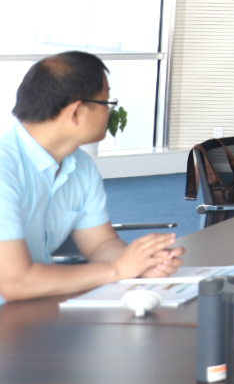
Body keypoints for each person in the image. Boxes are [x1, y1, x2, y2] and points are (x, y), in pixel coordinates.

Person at [0, 52, 183, 302]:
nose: (109, 112)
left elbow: (100, 245)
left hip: (34, 307)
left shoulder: (80, 165)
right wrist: (117, 269)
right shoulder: (4, 169)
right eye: (106, 102)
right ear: (76, 112)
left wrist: (142, 265)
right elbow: (14, 282)